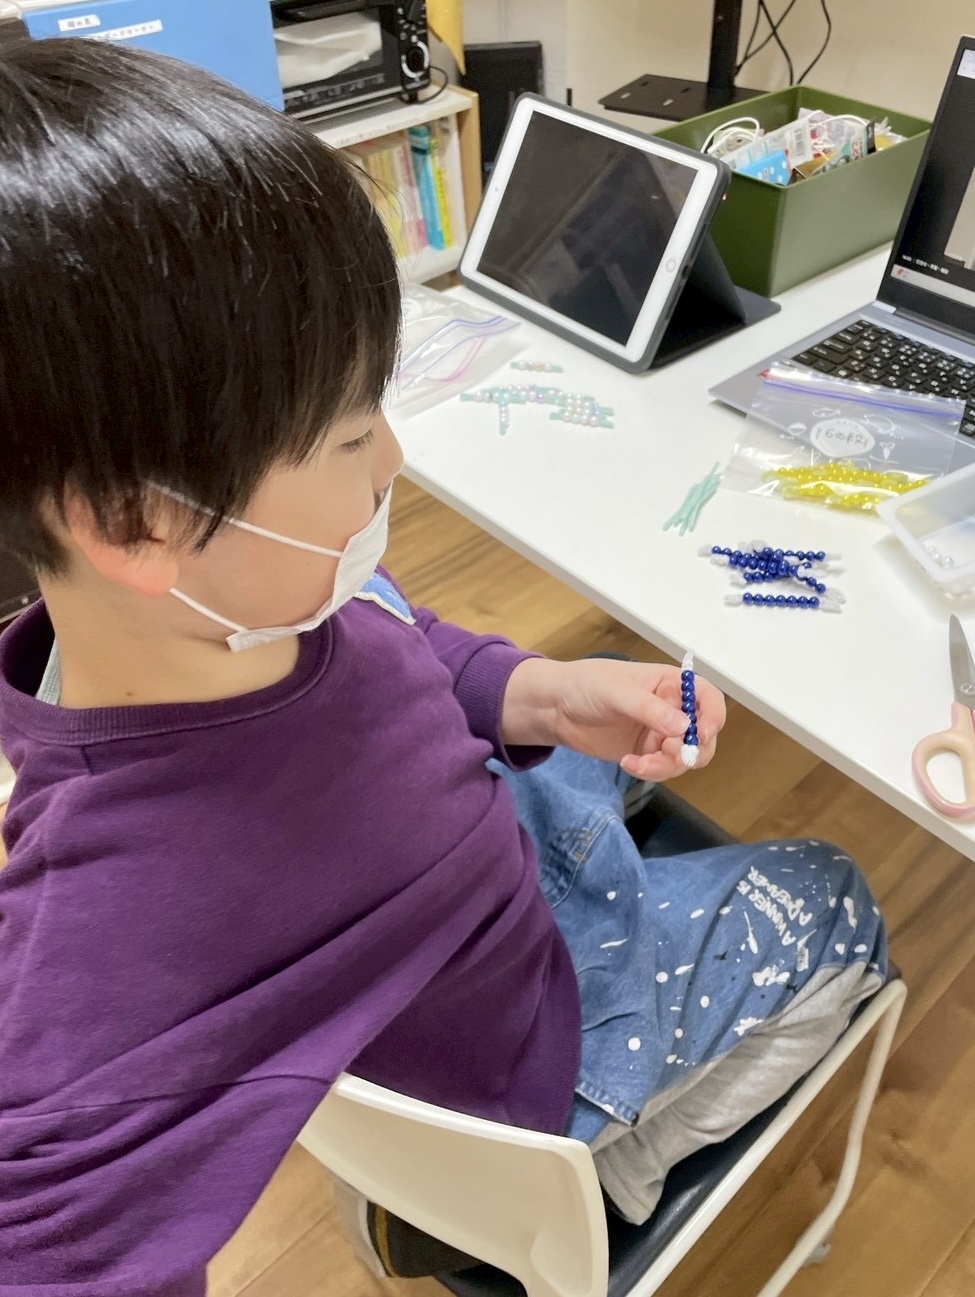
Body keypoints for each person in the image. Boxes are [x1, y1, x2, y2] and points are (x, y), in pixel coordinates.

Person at [0, 37, 888, 1297]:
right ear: (139, 523)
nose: (393, 461)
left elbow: (396, 639)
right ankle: (611, 1170)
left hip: (473, 892)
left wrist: (539, 694)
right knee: (838, 893)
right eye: (348, 433)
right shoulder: (113, 927)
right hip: (536, 1052)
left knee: (583, 722)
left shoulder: (249, 610)